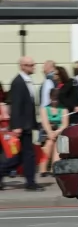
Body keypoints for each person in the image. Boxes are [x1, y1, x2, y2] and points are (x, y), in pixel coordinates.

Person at [6, 56, 44, 191]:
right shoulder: (18, 82)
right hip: (21, 126)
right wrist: (16, 126)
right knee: (27, 155)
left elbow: (29, 105)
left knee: (22, 156)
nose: (33, 67)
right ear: (22, 66)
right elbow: (16, 105)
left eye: (33, 64)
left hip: (26, 124)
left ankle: (30, 182)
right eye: (30, 65)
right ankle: (30, 183)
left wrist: (35, 123)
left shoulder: (27, 81)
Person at [39, 88, 69, 176]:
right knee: (49, 144)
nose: (55, 101)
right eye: (53, 99)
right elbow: (45, 123)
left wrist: (57, 132)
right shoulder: (44, 109)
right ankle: (43, 170)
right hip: (47, 133)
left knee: (57, 145)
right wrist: (50, 132)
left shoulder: (64, 109)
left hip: (60, 132)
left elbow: (65, 124)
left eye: (56, 99)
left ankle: (54, 169)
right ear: (50, 97)